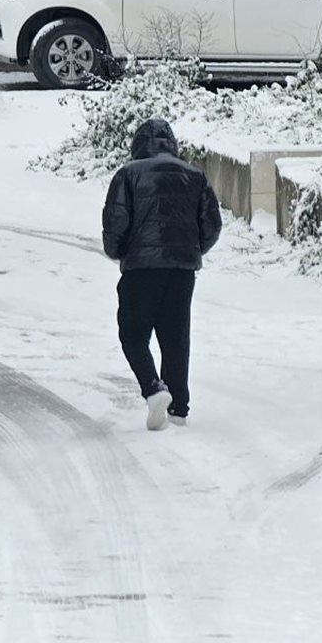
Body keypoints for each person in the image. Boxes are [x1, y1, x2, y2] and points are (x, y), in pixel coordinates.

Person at [102, 118, 223, 431]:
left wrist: (118, 251)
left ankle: (154, 389)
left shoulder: (128, 174)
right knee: (175, 336)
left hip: (141, 268)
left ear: (138, 145)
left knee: (132, 332)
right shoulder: (194, 176)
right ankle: (178, 409)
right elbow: (211, 225)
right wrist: (191, 250)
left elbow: (116, 220)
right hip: (182, 270)